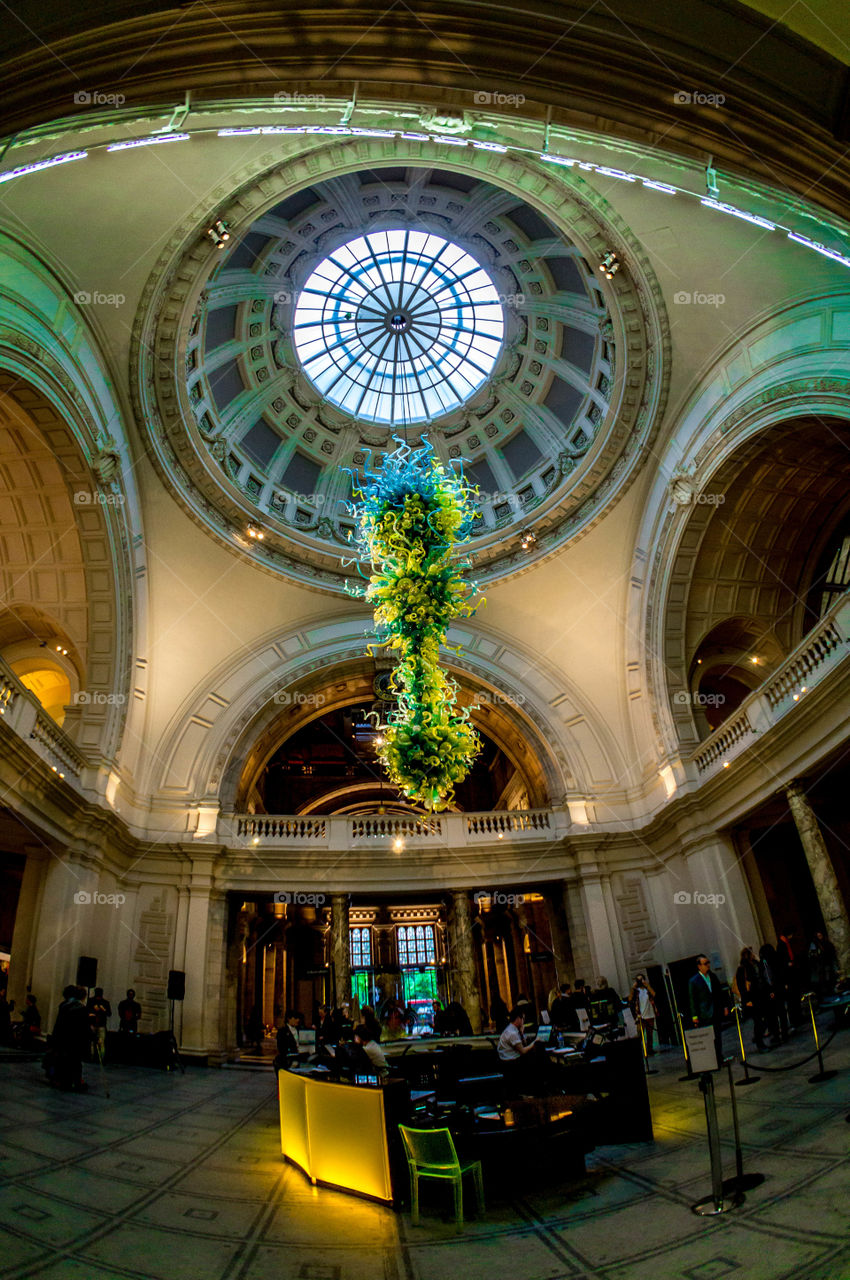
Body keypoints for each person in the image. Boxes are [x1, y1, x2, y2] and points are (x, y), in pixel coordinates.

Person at [47, 984, 91, 1091]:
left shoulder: (64, 1006)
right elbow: (84, 1026)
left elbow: (59, 1024)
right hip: (75, 1040)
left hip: (63, 1039)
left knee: (63, 1060)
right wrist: (92, 1036)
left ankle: (63, 1081)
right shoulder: (81, 1008)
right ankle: (76, 1082)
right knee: (75, 1062)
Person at [688, 955, 727, 1065]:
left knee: (718, 1036)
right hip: (704, 1013)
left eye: (708, 962)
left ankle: (719, 1057)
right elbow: (693, 999)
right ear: (699, 966)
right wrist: (694, 1016)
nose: (708, 965)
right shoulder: (693, 981)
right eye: (705, 963)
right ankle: (711, 1059)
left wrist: (724, 1006)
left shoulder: (713, 976)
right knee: (709, 1037)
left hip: (716, 1011)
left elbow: (719, 993)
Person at [497, 1007, 539, 1093]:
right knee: (536, 1061)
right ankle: (532, 1090)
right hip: (511, 1061)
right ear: (518, 1018)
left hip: (509, 1058)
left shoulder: (512, 1029)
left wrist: (521, 1032)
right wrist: (535, 1042)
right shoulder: (512, 1033)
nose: (524, 1021)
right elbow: (523, 1051)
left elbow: (523, 1044)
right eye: (523, 1018)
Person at [735, 947, 768, 1052]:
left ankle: (758, 1037)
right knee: (758, 1021)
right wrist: (746, 1000)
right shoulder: (742, 968)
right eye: (751, 953)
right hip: (752, 998)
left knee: (765, 1019)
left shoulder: (756, 964)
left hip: (760, 995)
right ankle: (760, 1043)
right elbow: (741, 986)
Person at [759, 942, 788, 1044]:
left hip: (772, 991)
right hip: (779, 989)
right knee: (782, 1013)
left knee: (773, 1015)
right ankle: (784, 1033)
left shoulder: (765, 962)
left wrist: (771, 990)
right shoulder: (777, 959)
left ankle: (777, 1035)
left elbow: (768, 977)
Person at [629, 974, 658, 1054]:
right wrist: (633, 988)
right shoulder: (636, 991)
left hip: (650, 1014)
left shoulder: (647, 989)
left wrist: (647, 985)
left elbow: (654, 994)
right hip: (640, 1015)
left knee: (650, 1034)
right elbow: (630, 999)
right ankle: (639, 1050)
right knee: (640, 1034)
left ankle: (650, 1049)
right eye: (638, 980)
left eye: (641, 979)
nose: (640, 981)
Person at [808, 930, 837, 996]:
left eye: (820, 935)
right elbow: (812, 955)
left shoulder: (827, 943)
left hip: (828, 964)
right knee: (822, 981)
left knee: (829, 979)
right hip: (819, 966)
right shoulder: (814, 944)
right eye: (818, 936)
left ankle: (831, 992)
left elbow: (832, 954)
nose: (819, 937)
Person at [86, 988, 111, 1059]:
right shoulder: (91, 1001)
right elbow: (87, 1011)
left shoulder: (105, 1003)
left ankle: (101, 1057)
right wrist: (92, 1012)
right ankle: (91, 1056)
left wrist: (103, 1010)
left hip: (101, 1025)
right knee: (92, 1042)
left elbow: (109, 1013)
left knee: (101, 1042)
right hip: (93, 1024)